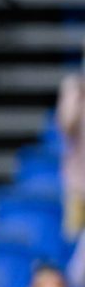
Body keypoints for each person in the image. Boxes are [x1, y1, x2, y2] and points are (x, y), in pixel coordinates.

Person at [59, 42, 85, 240]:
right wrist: (77, 95)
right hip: (78, 184)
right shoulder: (72, 87)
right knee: (74, 239)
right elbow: (66, 125)